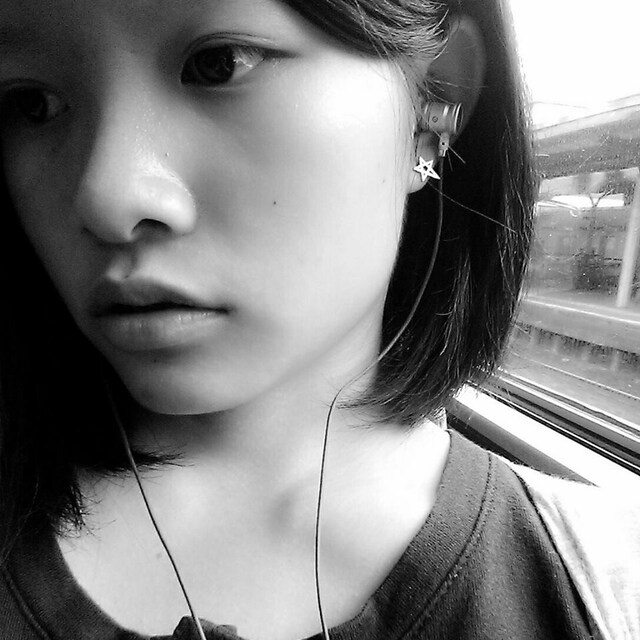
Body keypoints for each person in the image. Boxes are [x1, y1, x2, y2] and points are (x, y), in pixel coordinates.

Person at [0, 0, 638, 639]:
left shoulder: (605, 589)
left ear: (433, 105)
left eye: (219, 64)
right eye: (32, 104)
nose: (104, 197)